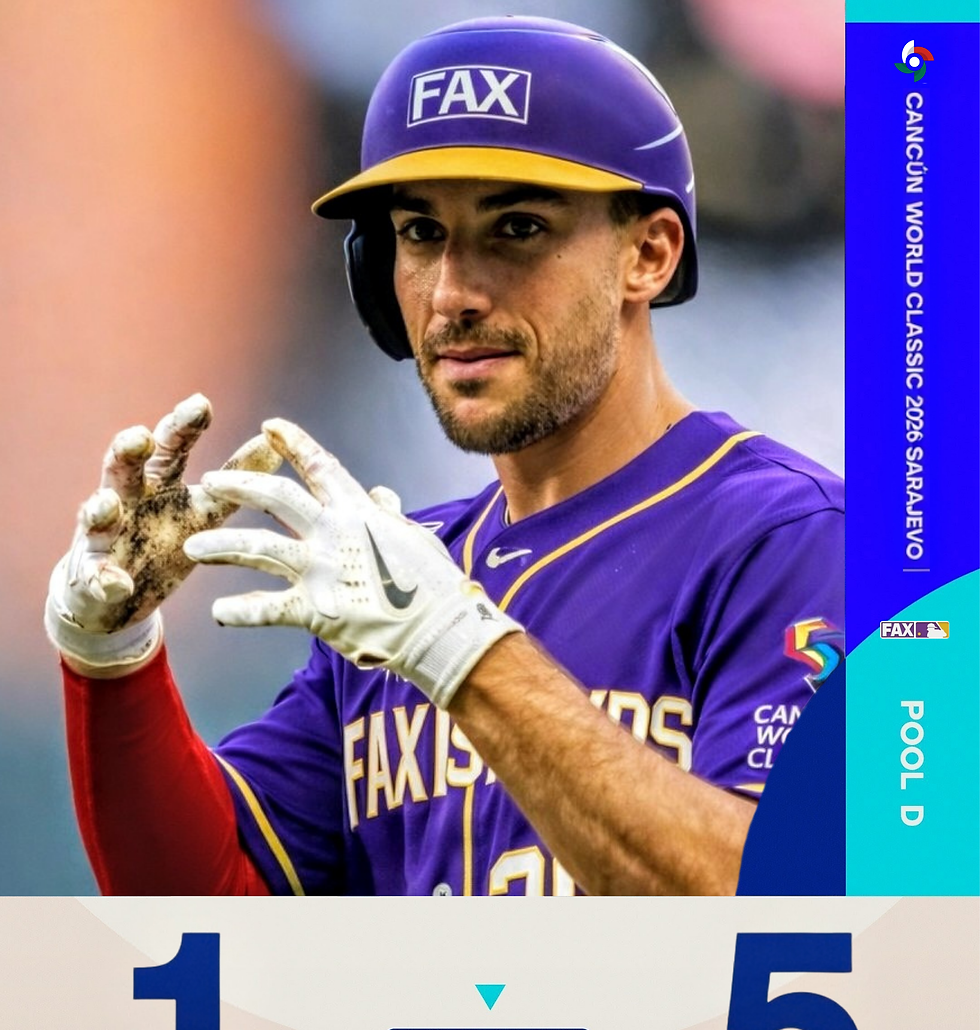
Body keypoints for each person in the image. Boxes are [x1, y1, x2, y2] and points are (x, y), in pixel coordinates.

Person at [46, 16, 843, 897]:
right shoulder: (398, 580)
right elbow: (209, 911)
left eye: (519, 228)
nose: (454, 293)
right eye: (421, 234)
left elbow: (781, 904)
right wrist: (113, 661)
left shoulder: (790, 539)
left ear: (648, 253)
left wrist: (458, 649)